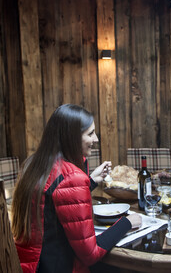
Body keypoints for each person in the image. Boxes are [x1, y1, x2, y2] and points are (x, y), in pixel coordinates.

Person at [11, 104, 141, 273]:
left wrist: (90, 181)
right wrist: (127, 222)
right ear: (71, 137)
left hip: (33, 265)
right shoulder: (72, 177)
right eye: (90, 133)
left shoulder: (33, 164)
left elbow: (55, 200)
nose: (96, 139)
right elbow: (90, 254)